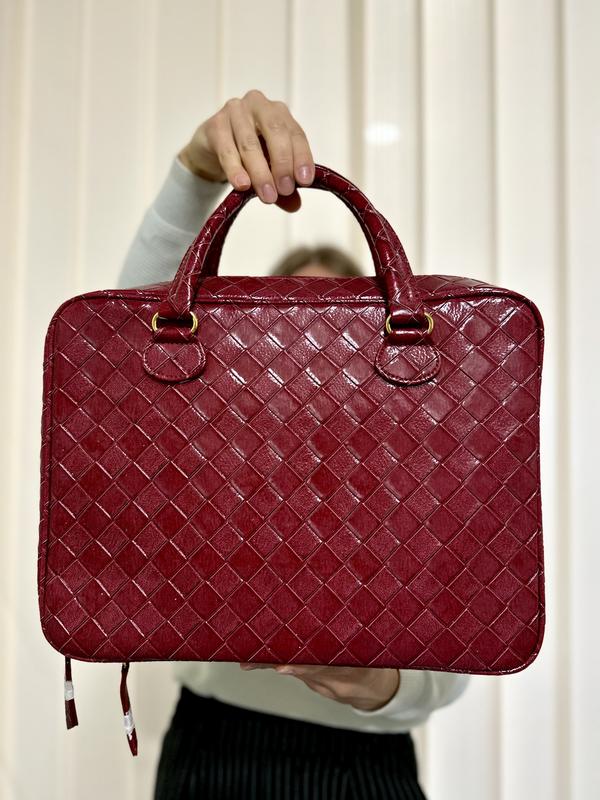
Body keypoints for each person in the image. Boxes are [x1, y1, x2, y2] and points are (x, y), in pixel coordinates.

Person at [116, 88, 470, 800]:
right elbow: (135, 343)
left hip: (366, 764)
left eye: (337, 338)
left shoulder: (413, 455)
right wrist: (195, 172)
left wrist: (385, 685)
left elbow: (464, 636)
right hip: (214, 747)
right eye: (292, 334)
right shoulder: (214, 442)